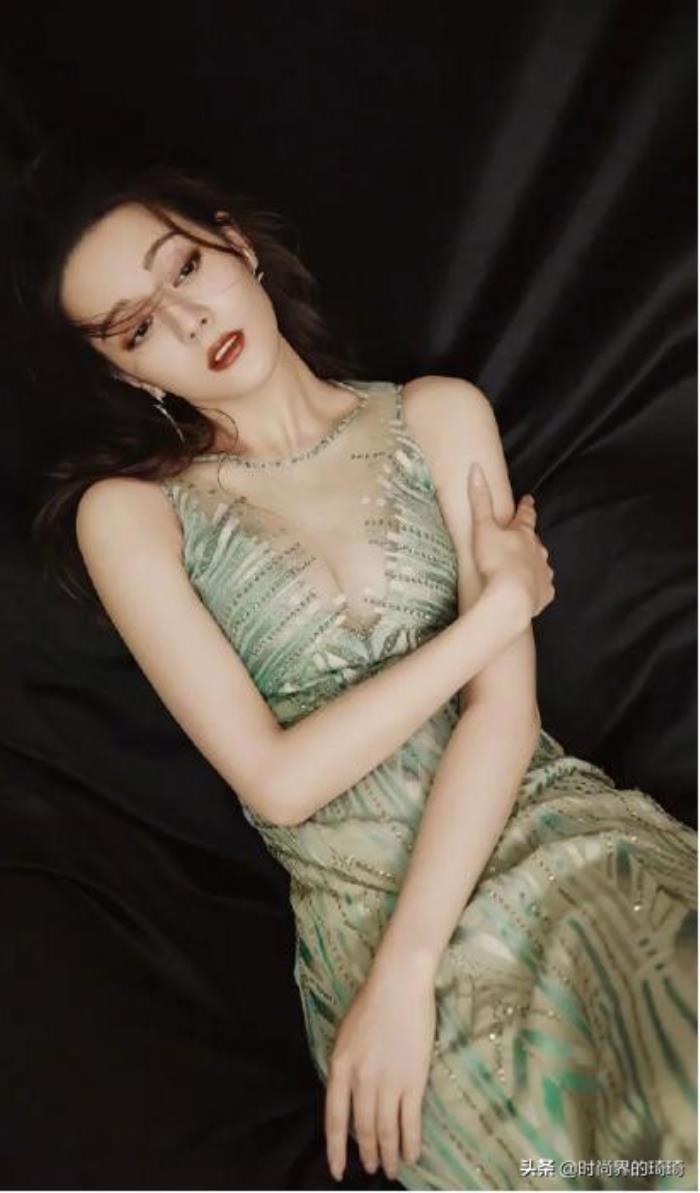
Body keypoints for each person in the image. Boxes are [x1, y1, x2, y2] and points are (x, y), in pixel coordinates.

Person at [13, 159, 697, 1191]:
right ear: (124, 373)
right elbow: (279, 781)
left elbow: (504, 712)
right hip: (369, 922)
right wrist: (497, 613)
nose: (189, 321)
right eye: (138, 327)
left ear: (234, 242)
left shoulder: (437, 414)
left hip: (557, 838)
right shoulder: (131, 515)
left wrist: (410, 960)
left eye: (184, 267)